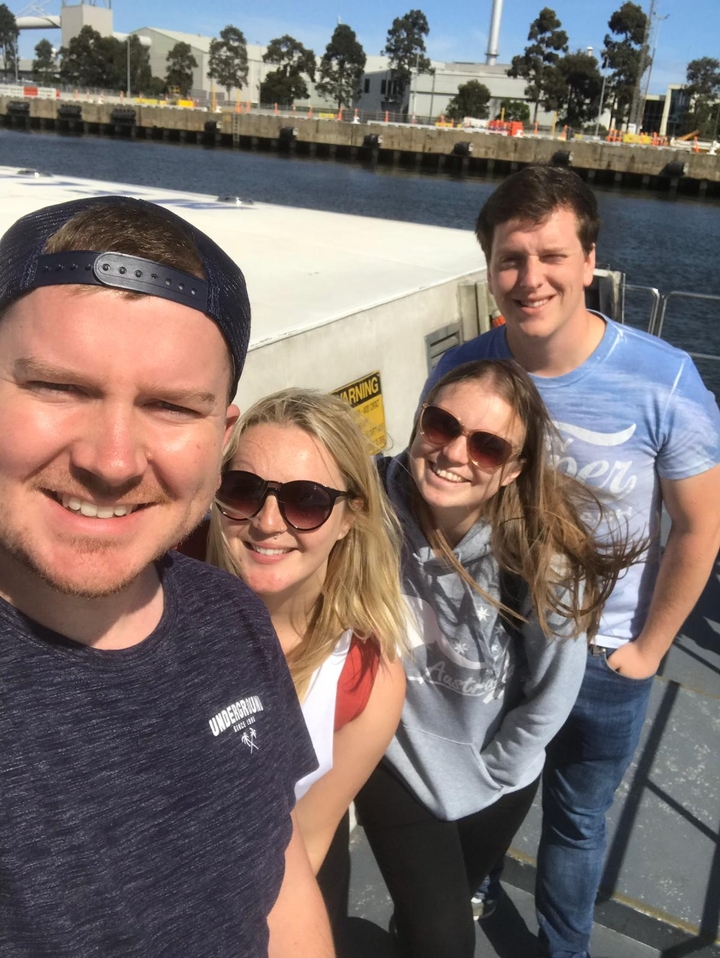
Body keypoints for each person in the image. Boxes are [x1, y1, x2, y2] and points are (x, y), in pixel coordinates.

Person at [0, 196, 334, 957]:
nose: (113, 461)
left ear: (222, 437)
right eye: (60, 388)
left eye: (172, 407)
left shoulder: (231, 617)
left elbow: (277, 869)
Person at [424, 165, 720, 957]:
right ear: (490, 269)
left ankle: (565, 950)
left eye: (552, 256)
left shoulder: (665, 380)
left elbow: (699, 528)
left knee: (578, 820)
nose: (531, 279)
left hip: (603, 655)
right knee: (480, 787)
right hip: (492, 641)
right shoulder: (463, 372)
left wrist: (648, 649)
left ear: (589, 260)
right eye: (511, 259)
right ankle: (470, 888)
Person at [355, 358, 642, 958]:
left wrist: (500, 770)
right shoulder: (367, 504)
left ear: (513, 469)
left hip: (492, 776)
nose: (455, 454)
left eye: (487, 446)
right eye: (441, 425)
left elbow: (553, 692)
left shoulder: (539, 560)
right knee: (445, 941)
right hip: (394, 756)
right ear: (420, 421)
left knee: (442, 904)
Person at [201, 388, 407, 949]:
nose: (268, 522)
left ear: (349, 517)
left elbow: (307, 842)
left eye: (307, 501)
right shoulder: (154, 595)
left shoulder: (366, 680)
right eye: (243, 490)